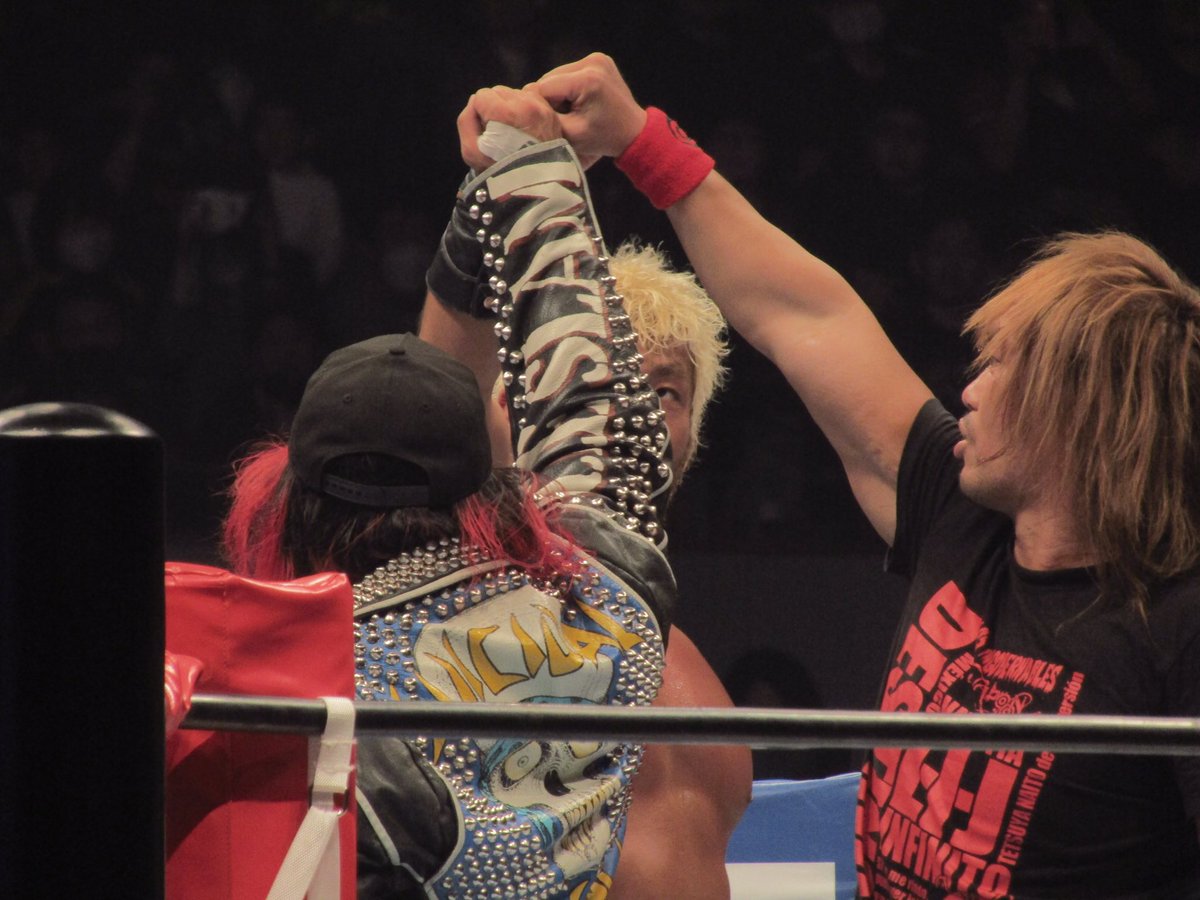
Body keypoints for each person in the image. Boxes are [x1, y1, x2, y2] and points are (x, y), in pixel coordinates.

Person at [529, 53, 1200, 898]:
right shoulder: (962, 517)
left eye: (1000, 366)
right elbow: (805, 315)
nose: (969, 389)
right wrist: (640, 141)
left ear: (1076, 410)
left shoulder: (1176, 625)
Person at [222, 88, 676, 898]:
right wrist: (520, 167)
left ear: (288, 503)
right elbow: (595, 403)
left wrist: (516, 168)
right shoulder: (609, 594)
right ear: (486, 491)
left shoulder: (316, 706)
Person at [421, 235, 752, 898]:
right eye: (591, 389)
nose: (633, 419)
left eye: (664, 392)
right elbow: (436, 389)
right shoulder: (452, 609)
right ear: (509, 409)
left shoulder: (682, 662)